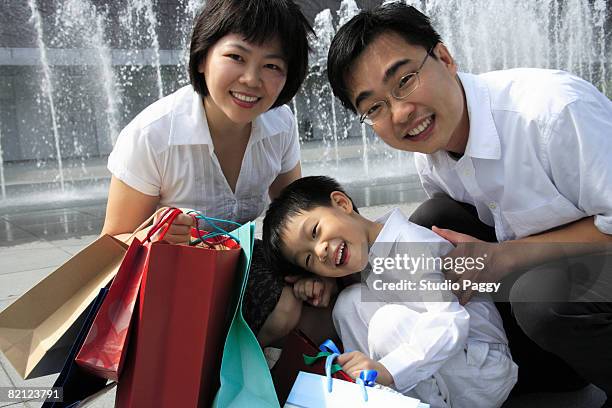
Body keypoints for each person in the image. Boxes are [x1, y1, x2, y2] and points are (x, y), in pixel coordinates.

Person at [326, 2, 612, 404]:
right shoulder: (431, 158)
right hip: (557, 289)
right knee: (431, 222)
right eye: (374, 107)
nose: (401, 113)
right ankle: (528, 378)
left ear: (444, 57)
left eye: (405, 80)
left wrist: (506, 257)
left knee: (543, 300)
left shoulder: (553, 113)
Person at [101, 0, 314, 347]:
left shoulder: (280, 123)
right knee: (282, 311)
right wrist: (153, 237)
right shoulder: (153, 135)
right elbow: (111, 244)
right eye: (237, 57)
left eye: (271, 65)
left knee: (319, 296)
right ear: (202, 58)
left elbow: (295, 211)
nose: (251, 80)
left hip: (238, 262)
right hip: (169, 277)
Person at [262, 176, 518, 408]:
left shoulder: (410, 246)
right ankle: (374, 397)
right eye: (308, 259)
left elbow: (451, 322)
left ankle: (393, 388)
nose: (320, 251)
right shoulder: (371, 251)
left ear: (341, 203)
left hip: (482, 369)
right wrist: (316, 281)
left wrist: (389, 369)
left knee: (387, 323)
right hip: (449, 368)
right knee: (349, 304)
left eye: (315, 231)